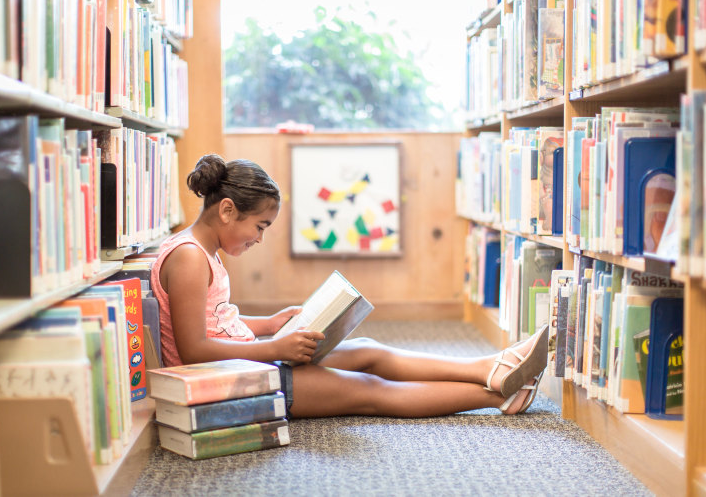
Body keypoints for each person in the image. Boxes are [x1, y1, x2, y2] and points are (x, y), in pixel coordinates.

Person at [150, 154, 549, 418]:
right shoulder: (188, 258)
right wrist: (274, 348)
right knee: (370, 390)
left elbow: (215, 321)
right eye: (260, 227)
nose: (260, 238)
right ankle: (499, 395)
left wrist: (270, 324)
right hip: (227, 382)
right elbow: (193, 351)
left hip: (245, 361)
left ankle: (489, 368)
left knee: (369, 351)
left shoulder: (204, 250)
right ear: (226, 210)